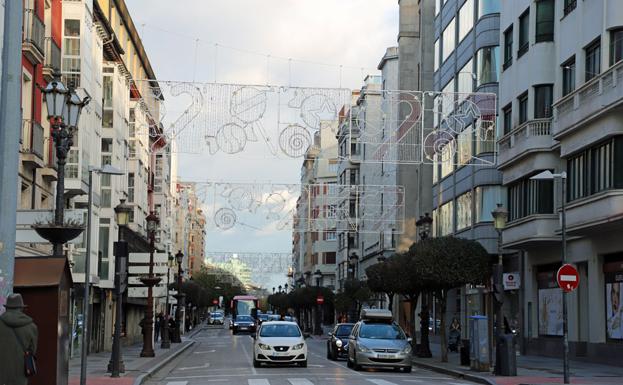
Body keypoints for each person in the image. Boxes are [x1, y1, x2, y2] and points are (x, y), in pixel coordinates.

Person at [0, 294, 38, 385]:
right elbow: (32, 350)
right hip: (20, 374)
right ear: (21, 308)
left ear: (7, 308)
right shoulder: (32, 327)